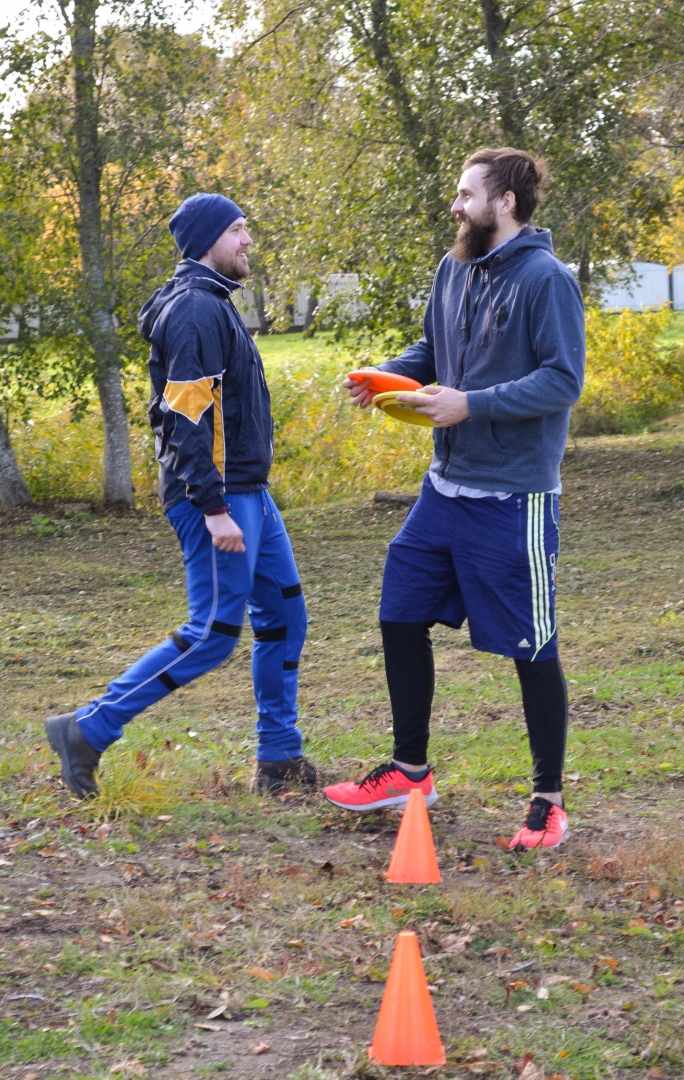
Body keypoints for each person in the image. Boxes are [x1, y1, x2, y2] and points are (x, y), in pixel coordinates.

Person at [324, 148, 585, 850]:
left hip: (513, 497)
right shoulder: (454, 269)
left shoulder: (547, 281)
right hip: (443, 490)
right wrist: (387, 375)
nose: (456, 205)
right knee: (399, 612)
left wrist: (472, 403)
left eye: (467, 194)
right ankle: (411, 772)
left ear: (506, 202)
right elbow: (434, 351)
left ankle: (548, 802)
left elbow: (563, 380)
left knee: (532, 644)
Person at [46, 193, 316, 799]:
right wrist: (213, 508)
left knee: (283, 618)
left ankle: (279, 757)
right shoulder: (195, 310)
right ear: (208, 239)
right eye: (238, 229)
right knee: (213, 632)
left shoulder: (213, 303)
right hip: (216, 497)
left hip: (248, 492)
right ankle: (87, 730)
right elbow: (186, 418)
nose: (248, 240)